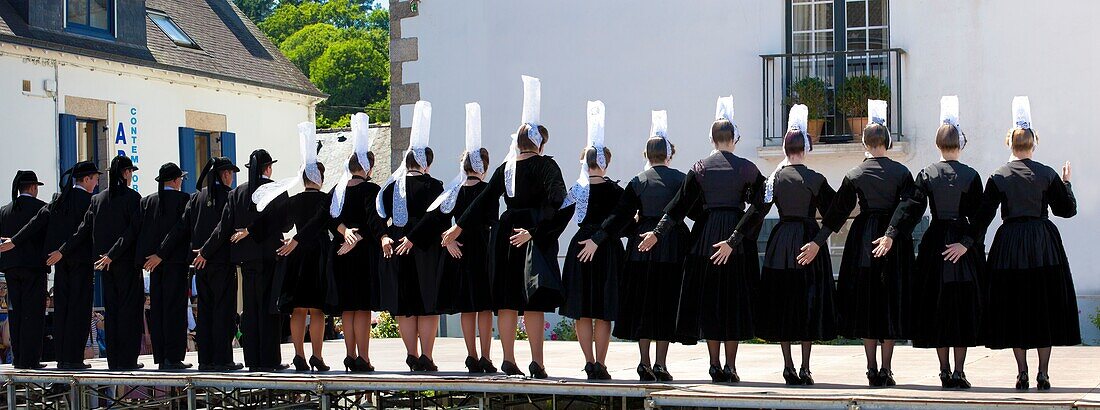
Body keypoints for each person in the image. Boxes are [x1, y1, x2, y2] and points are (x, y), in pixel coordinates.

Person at [442, 76, 568, 379]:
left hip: (505, 233)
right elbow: (560, 202)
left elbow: (483, 201)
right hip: (531, 235)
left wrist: (456, 228)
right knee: (533, 303)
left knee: (509, 302)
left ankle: (509, 359)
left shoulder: (506, 168)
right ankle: (537, 362)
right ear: (539, 143)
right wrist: (537, 231)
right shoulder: (545, 165)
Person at [639, 96, 764, 384]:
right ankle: (731, 367)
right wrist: (736, 237)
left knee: (711, 303)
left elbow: (679, 206)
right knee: (732, 303)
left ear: (711, 138)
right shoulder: (747, 168)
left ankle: (714, 364)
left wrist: (657, 233)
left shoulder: (699, 168)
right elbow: (761, 204)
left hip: (705, 238)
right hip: (736, 239)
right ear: (734, 138)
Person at [873, 96, 983, 389]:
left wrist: (891, 233)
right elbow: (981, 218)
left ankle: (944, 372)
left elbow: (910, 207)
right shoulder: (972, 176)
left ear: (937, 145)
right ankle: (959, 372)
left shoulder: (926, 173)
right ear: (960, 145)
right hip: (960, 244)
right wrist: (967, 244)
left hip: (935, 244)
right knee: (960, 308)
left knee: (939, 308)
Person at [578, 110, 691, 382]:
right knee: (666, 302)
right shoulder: (681, 179)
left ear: (646, 156)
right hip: (672, 244)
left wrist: (610, 235)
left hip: (641, 246)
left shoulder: (637, 181)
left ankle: (644, 363)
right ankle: (661, 364)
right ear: (669, 154)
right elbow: (691, 211)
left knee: (644, 304)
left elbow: (620, 216)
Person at [974, 96, 1078, 391]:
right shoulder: (1047, 173)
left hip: (1009, 246)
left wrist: (967, 242)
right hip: (1043, 243)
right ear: (1033, 143)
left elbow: (983, 215)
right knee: (1043, 306)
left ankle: (1022, 372)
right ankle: (1043, 373)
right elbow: (1066, 211)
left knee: (1014, 306)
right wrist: (1067, 183)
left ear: (1010, 144)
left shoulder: (998, 175)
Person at [810, 100, 914, 387]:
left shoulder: (854, 174)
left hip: (864, 238)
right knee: (889, 302)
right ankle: (886, 369)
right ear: (888, 142)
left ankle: (871, 368)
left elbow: (837, 213)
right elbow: (910, 206)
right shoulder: (902, 173)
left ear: (864, 143)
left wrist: (819, 241)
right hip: (893, 240)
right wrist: (893, 234)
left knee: (867, 303)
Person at [239, 122, 335, 372]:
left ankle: (299, 355)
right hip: (319, 252)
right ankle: (317, 355)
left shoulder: (294, 200)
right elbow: (332, 225)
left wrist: (249, 230)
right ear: (320, 178)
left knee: (298, 309)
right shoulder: (327, 200)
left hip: (296, 254)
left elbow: (272, 221)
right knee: (317, 310)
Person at [751, 105, 837, 385]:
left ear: (786, 149)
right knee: (806, 302)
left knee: (783, 301)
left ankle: (787, 365)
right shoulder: (816, 179)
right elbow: (835, 213)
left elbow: (757, 211)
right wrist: (817, 242)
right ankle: (805, 367)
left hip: (781, 241)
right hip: (808, 239)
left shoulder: (774, 179)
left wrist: (736, 238)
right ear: (806, 148)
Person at [421, 103, 498, 374]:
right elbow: (491, 221)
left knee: (468, 307)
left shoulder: (453, 191)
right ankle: (486, 356)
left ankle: (472, 355)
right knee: (484, 307)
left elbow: (441, 221)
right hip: (483, 249)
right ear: (484, 166)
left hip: (460, 251)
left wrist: (450, 240)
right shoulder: (488, 190)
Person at [2, 160, 101, 369]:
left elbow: (37, 221)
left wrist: (14, 241)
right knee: (79, 310)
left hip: (58, 263)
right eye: (95, 178)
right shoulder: (91, 201)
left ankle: (62, 357)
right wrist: (64, 250)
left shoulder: (59, 198)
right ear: (87, 179)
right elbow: (83, 231)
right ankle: (74, 359)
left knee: (62, 311)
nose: (97, 182)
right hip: (77, 261)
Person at [151, 157, 242, 372]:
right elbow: (223, 229)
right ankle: (222, 359)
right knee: (223, 311)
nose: (231, 177)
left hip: (200, 265)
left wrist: (160, 253)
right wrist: (206, 252)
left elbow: (179, 229)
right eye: (230, 173)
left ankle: (206, 359)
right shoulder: (230, 196)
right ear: (225, 174)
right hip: (220, 261)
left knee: (206, 311)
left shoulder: (195, 198)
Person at [202, 149, 288, 373]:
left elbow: (224, 227)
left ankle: (252, 359)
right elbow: (284, 224)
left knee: (250, 309)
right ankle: (269, 359)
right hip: (269, 257)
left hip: (246, 260)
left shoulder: (237, 193)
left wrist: (205, 251)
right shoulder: (275, 189)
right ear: (267, 168)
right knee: (269, 310)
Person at [55, 155, 143, 370]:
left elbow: (82, 231)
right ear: (124, 173)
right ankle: (128, 360)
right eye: (130, 172)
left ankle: (114, 360)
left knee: (112, 312)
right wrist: (113, 253)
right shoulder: (133, 198)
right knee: (128, 312)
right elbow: (132, 231)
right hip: (125, 262)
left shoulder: (97, 199)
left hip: (105, 265)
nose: (131, 176)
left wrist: (62, 251)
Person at [378, 101, 447, 373]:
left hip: (397, 247)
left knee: (405, 305)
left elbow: (379, 215)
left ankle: (411, 353)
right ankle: (427, 356)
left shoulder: (391, 187)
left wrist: (386, 235)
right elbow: (438, 219)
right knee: (427, 306)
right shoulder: (434, 186)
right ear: (427, 163)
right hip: (426, 251)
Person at [558, 101, 622, 380]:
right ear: (606, 162)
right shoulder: (616, 190)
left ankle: (588, 361)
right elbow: (622, 221)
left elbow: (556, 217)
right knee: (603, 312)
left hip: (580, 246)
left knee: (582, 311)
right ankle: (601, 363)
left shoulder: (576, 190)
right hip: (606, 249)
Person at [326, 113, 383, 373]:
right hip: (361, 255)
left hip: (340, 252)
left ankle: (349, 355)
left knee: (347, 308)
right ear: (368, 168)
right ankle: (363, 357)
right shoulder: (371, 190)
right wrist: (356, 236)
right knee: (362, 309)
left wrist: (344, 232)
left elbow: (329, 219)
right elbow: (374, 221)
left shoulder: (336, 191)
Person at [132, 163, 193, 370]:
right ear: (176, 181)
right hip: (175, 263)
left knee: (157, 310)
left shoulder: (148, 201)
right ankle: (174, 358)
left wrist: (147, 259)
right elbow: (181, 231)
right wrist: (162, 254)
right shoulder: (185, 200)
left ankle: (161, 356)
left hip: (153, 265)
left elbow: (141, 232)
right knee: (175, 311)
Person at [0, 170, 48, 369]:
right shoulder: (42, 208)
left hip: (11, 268)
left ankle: (18, 358)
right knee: (34, 314)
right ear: (34, 187)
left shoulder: (4, 210)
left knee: (16, 312)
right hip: (34, 267)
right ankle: (32, 359)